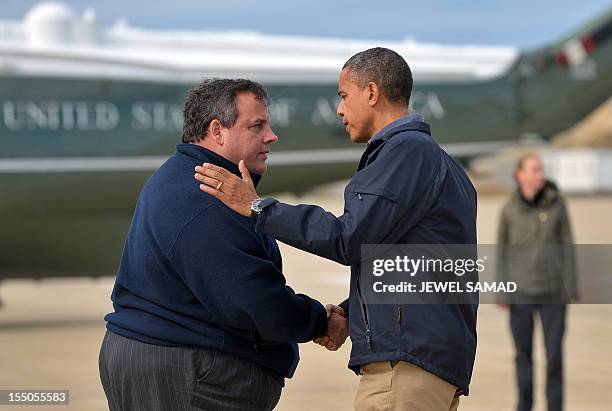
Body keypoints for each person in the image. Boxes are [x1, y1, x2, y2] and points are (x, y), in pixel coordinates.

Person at [195, 48, 478, 411]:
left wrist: (258, 207)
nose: (340, 109)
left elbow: (349, 238)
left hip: (405, 367)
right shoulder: (438, 162)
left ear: (372, 93)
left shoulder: (404, 152)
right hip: (426, 362)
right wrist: (351, 313)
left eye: (344, 96)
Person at [99, 78, 348, 411]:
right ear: (217, 131)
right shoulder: (204, 195)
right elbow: (254, 300)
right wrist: (319, 320)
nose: (271, 136)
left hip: (169, 361)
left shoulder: (194, 179)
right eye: (257, 126)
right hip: (182, 371)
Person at [497, 153, 578, 411]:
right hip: (520, 292)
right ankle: (524, 405)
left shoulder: (557, 205)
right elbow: (502, 251)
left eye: (541, 170)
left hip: (554, 292)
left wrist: (570, 287)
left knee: (554, 356)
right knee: (523, 357)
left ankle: (555, 406)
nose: (540, 174)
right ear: (520, 175)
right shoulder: (508, 210)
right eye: (534, 170)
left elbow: (568, 246)